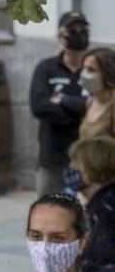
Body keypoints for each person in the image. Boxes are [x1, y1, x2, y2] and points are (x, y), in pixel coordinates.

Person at [30, 11, 92, 197]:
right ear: (61, 37)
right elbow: (39, 107)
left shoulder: (95, 68)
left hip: (89, 159)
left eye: (83, 29)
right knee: (49, 211)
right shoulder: (46, 68)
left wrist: (63, 100)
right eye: (72, 30)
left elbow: (102, 104)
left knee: (89, 218)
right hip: (53, 158)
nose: (79, 34)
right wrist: (80, 111)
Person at [71, 136, 115, 272]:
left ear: (93, 170)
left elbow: (101, 259)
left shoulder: (102, 208)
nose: (71, 169)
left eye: (77, 166)